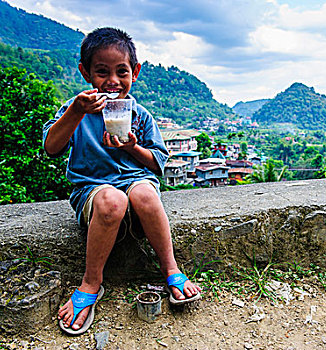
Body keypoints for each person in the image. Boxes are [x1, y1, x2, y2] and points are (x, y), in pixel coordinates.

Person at [43, 27, 201, 335]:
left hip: (135, 180)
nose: (112, 82)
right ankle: (91, 283)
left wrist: (132, 147)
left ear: (135, 72)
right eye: (102, 72)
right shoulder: (75, 110)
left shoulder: (140, 115)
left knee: (145, 194)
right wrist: (76, 111)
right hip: (93, 188)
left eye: (121, 72)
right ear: (85, 72)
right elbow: (51, 148)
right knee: (112, 200)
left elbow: (157, 163)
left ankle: (170, 268)